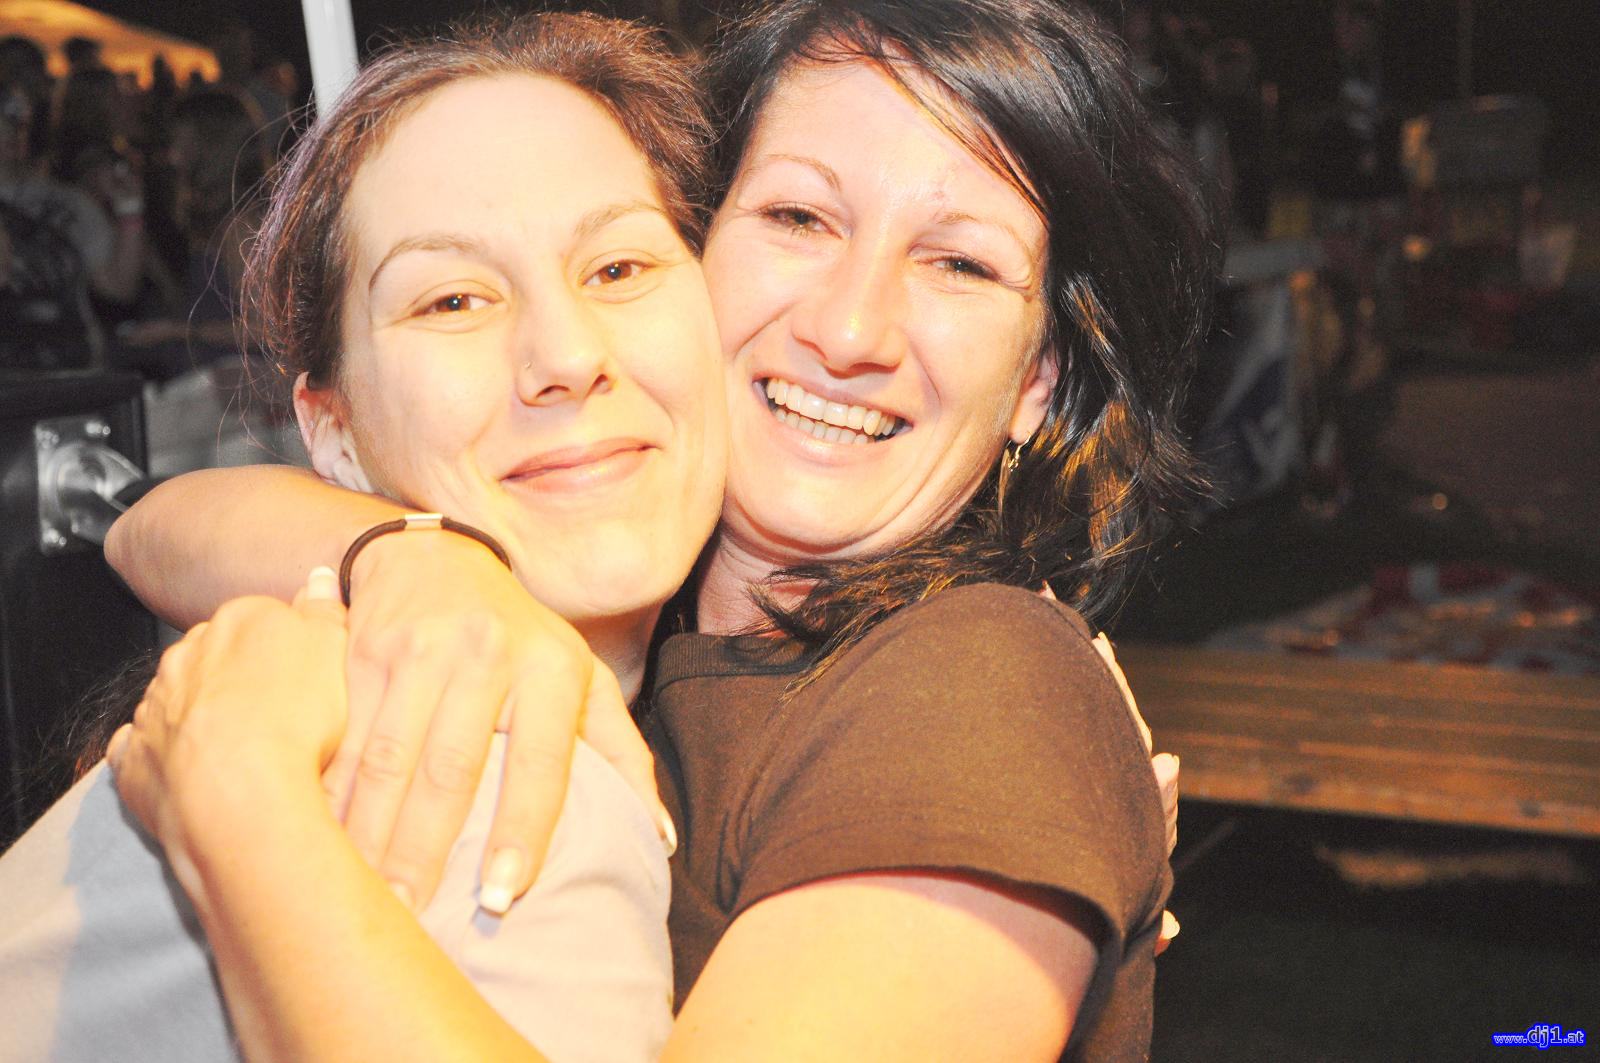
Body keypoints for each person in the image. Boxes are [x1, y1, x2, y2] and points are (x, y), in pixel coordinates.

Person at [108, 0, 1210, 1057]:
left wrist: (241, 808)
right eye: (798, 218)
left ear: (1036, 381)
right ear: (702, 245)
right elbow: (150, 528)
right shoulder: (609, 616)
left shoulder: (973, 687)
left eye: (960, 263)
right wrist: (411, 560)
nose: (849, 328)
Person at [0, 14, 725, 1061]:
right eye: (453, 299)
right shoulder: (491, 791)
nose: (568, 355)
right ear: (332, 434)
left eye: (617, 268)